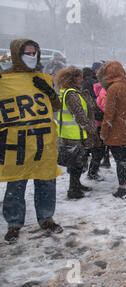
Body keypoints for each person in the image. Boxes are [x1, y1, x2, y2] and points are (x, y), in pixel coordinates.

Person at [1, 39, 63, 243]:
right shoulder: (5, 78)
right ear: (17, 55)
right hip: (17, 144)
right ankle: (14, 223)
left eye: (34, 52)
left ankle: (46, 218)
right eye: (27, 53)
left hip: (42, 143)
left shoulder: (41, 78)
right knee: (16, 184)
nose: (32, 56)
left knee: (46, 181)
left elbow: (56, 106)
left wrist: (50, 91)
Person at [54, 66, 101, 199]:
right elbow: (79, 114)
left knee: (77, 162)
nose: (82, 78)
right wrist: (90, 128)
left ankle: (76, 185)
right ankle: (73, 190)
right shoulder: (71, 94)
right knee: (76, 163)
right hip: (74, 134)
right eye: (79, 76)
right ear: (72, 78)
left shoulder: (66, 92)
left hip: (69, 133)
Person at [97, 61, 126, 198]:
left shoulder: (113, 89)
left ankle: (122, 188)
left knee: (119, 161)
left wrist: (104, 132)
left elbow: (109, 114)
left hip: (116, 132)